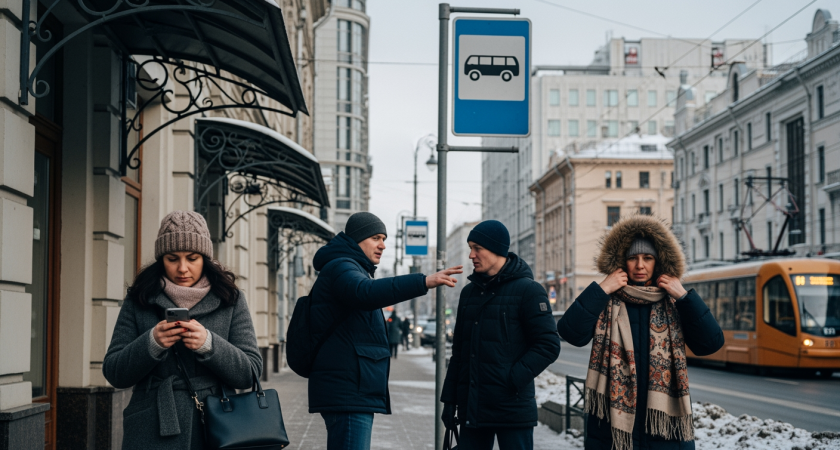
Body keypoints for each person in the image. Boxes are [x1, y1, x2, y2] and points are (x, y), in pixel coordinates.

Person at [557, 215, 724, 450]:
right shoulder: (607, 300)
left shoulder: (674, 303)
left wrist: (686, 297)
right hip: (611, 432)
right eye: (632, 258)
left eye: (648, 258)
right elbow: (570, 332)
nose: (640, 265)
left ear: (659, 261)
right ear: (622, 261)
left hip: (664, 433)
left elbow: (711, 343)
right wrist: (602, 289)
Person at [103, 211, 261, 450]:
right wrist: (151, 343)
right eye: (172, 258)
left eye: (192, 257)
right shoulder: (140, 298)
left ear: (205, 258)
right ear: (161, 259)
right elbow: (114, 372)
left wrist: (209, 344)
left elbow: (250, 373)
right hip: (151, 425)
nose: (182, 268)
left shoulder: (230, 298)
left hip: (216, 425)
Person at [308, 212, 463, 450]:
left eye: (384, 238)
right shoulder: (342, 266)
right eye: (376, 238)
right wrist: (424, 281)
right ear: (357, 239)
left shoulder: (351, 267)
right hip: (348, 392)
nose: (383, 245)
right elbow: (365, 293)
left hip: (351, 388)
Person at [441, 220, 561, 450]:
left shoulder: (529, 290)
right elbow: (459, 353)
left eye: (477, 248)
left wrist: (511, 379)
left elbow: (548, 345)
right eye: (470, 248)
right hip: (473, 408)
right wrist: (449, 400)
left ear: (496, 249)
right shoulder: (469, 294)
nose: (471, 255)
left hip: (512, 409)